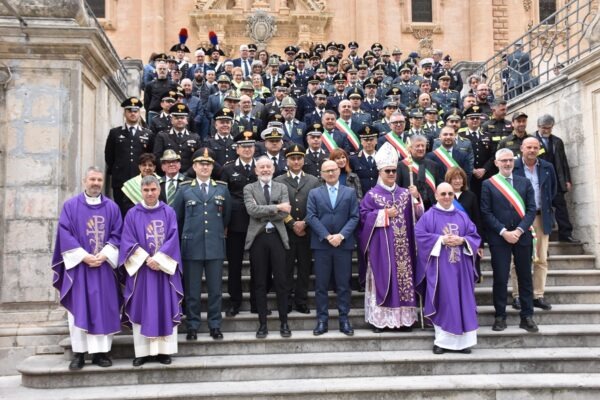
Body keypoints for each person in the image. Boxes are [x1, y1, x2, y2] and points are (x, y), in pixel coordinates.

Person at [51, 166, 122, 370]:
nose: (96, 183)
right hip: (80, 268)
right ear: (84, 181)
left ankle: (101, 354)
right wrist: (83, 256)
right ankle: (79, 353)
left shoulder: (112, 207)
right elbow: (64, 233)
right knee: (79, 309)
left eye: (99, 180)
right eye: (92, 179)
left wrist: (105, 254)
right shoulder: (71, 206)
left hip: (104, 267)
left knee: (104, 309)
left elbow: (118, 233)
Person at [358, 144, 423, 333]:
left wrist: (416, 198)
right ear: (380, 172)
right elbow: (363, 218)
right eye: (388, 171)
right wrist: (384, 214)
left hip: (405, 249)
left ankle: (404, 320)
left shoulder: (405, 193)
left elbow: (419, 216)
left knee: (403, 281)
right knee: (383, 281)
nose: (392, 174)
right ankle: (381, 321)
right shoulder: (372, 195)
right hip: (381, 249)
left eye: (394, 170)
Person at [119, 175, 183, 366]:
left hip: (163, 271)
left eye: (153, 190)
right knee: (142, 307)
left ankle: (164, 351)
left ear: (159, 190)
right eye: (146, 190)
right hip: (142, 272)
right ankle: (142, 352)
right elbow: (127, 240)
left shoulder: (168, 211)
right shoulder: (132, 213)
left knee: (164, 306)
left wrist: (159, 259)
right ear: (141, 191)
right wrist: (146, 258)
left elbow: (173, 238)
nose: (149, 193)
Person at [172, 148, 232, 341]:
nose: (205, 167)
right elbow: (177, 219)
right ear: (194, 166)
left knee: (215, 290)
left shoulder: (222, 189)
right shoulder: (184, 189)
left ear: (213, 167)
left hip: (214, 245)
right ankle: (192, 325)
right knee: (192, 291)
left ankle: (215, 325)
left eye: (208, 164)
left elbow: (226, 217)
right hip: (191, 246)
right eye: (201, 164)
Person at [415, 182, 481, 354]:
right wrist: (440, 240)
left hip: (462, 269)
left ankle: (464, 342)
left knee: (462, 301)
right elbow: (420, 235)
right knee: (444, 301)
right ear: (436, 195)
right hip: (440, 269)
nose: (446, 197)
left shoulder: (462, 216)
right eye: (443, 194)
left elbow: (474, 235)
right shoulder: (429, 216)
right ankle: (442, 342)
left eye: (450, 194)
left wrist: (463, 241)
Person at [480, 148, 539, 333]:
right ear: (496, 163)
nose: (507, 163)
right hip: (500, 238)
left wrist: (520, 230)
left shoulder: (524, 182)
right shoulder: (488, 184)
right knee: (500, 278)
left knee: (525, 277)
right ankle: (500, 316)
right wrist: (504, 231)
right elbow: (486, 212)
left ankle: (527, 316)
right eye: (503, 160)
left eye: (510, 160)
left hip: (522, 236)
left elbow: (531, 209)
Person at [306, 160, 360, 336]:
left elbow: (354, 217)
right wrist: (328, 236)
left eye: (333, 170)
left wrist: (341, 236)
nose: (330, 173)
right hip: (322, 245)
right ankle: (322, 320)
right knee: (321, 285)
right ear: (321, 174)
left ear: (339, 171)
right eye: (326, 171)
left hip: (343, 245)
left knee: (343, 284)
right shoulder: (314, 193)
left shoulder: (350, 192)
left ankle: (344, 319)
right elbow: (311, 217)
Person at [244, 156, 293, 338]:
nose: (265, 169)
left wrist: (268, 209)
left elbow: (284, 213)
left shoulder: (282, 187)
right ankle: (262, 323)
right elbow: (251, 210)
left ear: (273, 169)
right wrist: (276, 207)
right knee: (260, 282)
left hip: (277, 238)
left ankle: (284, 323)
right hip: (258, 238)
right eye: (261, 167)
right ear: (256, 171)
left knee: (281, 281)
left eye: (268, 166)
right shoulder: (249, 188)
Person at [511, 137, 557, 311]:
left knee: (541, 258)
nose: (532, 150)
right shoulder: (513, 166)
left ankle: (538, 295)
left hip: (540, 216)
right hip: (520, 218)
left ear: (539, 149)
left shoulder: (547, 167)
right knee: (518, 259)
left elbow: (552, 191)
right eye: (528, 147)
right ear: (522, 148)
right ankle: (517, 296)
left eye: (535, 147)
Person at [274, 144, 321, 314]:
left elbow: (317, 205)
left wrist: (305, 223)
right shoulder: (278, 181)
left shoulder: (313, 180)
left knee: (304, 268)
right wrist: (292, 223)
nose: (296, 161)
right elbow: (276, 206)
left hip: (307, 231)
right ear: (286, 160)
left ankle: (301, 300)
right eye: (292, 158)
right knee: (285, 268)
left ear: (303, 160)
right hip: (286, 232)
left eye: (299, 158)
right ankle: (286, 301)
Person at [104, 97, 155, 216]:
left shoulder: (147, 134)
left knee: (140, 212)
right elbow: (109, 156)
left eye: (135, 111)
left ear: (139, 113)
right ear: (124, 113)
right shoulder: (115, 133)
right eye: (129, 111)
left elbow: (151, 157)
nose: (133, 114)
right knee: (120, 213)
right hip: (120, 181)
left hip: (140, 181)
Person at [534, 114, 579, 243]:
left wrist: (567, 180)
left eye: (549, 128)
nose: (546, 130)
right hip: (540, 180)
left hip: (556, 180)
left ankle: (566, 234)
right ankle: (543, 236)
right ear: (538, 126)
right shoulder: (532, 140)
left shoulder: (557, 141)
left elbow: (563, 162)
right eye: (543, 128)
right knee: (541, 208)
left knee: (561, 207)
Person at [445, 166, 484, 281]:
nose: (457, 181)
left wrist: (480, 244)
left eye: (460, 178)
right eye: (454, 178)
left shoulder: (471, 196)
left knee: (468, 276)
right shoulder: (445, 196)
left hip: (467, 240)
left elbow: (477, 220)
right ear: (449, 180)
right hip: (450, 240)